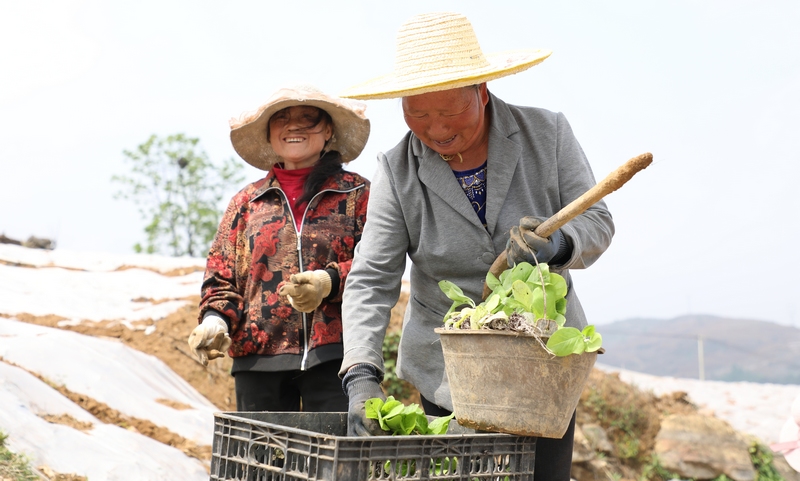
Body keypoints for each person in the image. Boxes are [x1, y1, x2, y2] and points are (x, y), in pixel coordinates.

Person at [338, 12, 614, 481]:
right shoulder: (397, 170)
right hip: (449, 374)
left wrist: (559, 247)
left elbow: (598, 221)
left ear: (482, 92)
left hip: (543, 363)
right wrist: (362, 374)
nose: (436, 128)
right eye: (418, 114)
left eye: (450, 112)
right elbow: (371, 278)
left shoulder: (546, 135)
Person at [188, 84, 371, 413]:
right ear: (269, 133)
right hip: (258, 361)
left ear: (329, 130)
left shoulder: (357, 194)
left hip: (336, 357)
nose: (294, 125)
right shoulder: (247, 203)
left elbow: (377, 264)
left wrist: (328, 281)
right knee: (259, 465)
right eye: (282, 118)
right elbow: (221, 275)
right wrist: (215, 320)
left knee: (335, 460)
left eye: (308, 117)